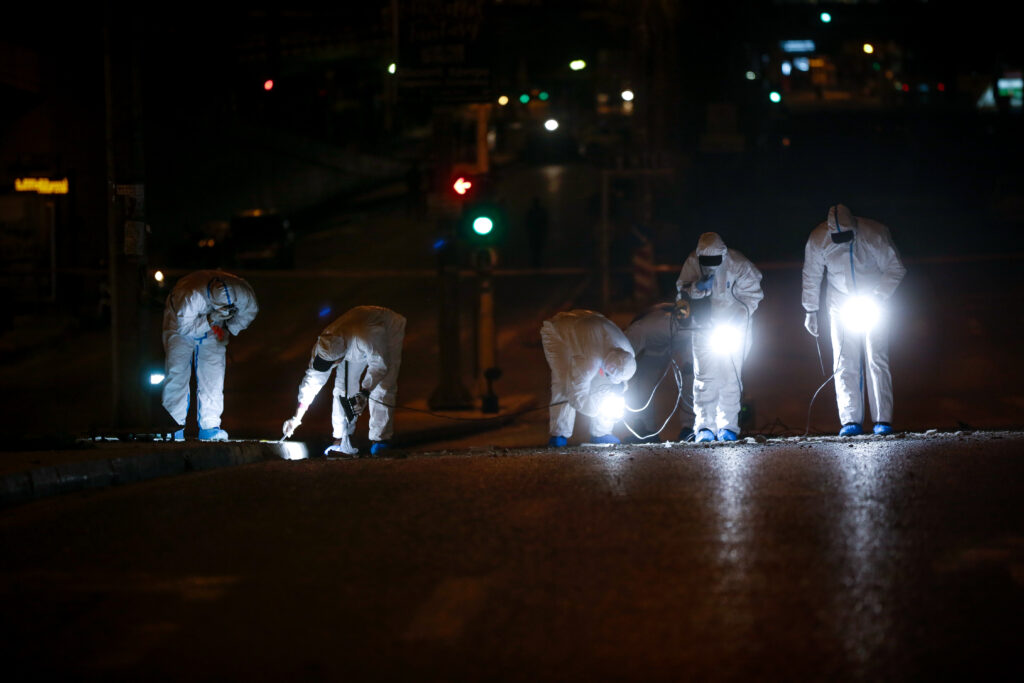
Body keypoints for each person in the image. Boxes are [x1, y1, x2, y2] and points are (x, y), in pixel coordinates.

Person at [801, 204, 906, 436]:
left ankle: (883, 420)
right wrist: (810, 310)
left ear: (855, 229)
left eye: (846, 235)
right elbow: (812, 274)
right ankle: (850, 419)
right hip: (840, 301)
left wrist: (879, 295)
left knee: (876, 357)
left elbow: (896, 267)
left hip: (874, 298)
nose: (841, 240)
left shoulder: (874, 234)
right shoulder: (818, 239)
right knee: (843, 359)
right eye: (837, 236)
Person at [282, 306, 406, 456]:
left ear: (339, 358)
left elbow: (380, 365)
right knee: (343, 387)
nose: (329, 367)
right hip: (354, 334)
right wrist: (296, 417)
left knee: (383, 385)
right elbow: (313, 380)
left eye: (332, 364)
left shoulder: (366, 337)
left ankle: (380, 441)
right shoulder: (325, 343)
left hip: (386, 328)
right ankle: (340, 439)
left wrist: (365, 392)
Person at [676, 232, 763, 443]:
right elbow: (682, 293)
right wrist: (698, 288)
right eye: (706, 261)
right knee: (704, 379)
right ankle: (705, 426)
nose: (710, 265)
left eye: (715, 260)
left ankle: (728, 427)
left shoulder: (738, 265)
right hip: (703, 328)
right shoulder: (692, 263)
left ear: (723, 255)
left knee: (729, 378)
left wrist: (738, 317)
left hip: (734, 330)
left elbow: (754, 295)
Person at [162, 270, 259, 440]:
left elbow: (249, 314)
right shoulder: (190, 297)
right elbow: (185, 328)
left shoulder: (245, 296)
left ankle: (210, 427)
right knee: (177, 372)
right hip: (180, 322)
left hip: (216, 324)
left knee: (213, 375)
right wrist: (210, 319)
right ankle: (172, 428)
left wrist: (228, 327)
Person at [540, 309, 637, 447]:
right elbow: (575, 395)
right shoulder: (589, 361)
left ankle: (602, 433)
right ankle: (559, 433)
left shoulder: (628, 353)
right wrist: (598, 409)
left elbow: (621, 381)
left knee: (606, 386)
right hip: (558, 333)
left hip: (586, 324)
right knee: (563, 381)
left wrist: (618, 392)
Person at [624, 302, 693, 442]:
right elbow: (621, 360)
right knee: (640, 383)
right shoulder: (642, 330)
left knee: (693, 376)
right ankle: (644, 428)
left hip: (679, 341)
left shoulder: (689, 327)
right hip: (652, 346)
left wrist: (688, 363)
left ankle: (690, 427)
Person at [525, 196, 549, 268]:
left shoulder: (532, 212)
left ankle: (536, 263)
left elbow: (527, 222)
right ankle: (536, 263)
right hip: (536, 233)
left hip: (536, 233)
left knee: (536, 249)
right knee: (537, 249)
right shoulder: (537, 212)